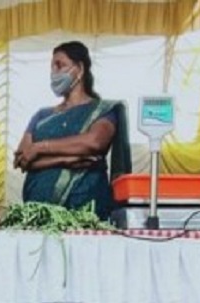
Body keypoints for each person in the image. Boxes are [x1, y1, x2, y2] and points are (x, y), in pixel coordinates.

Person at [13, 41, 132, 219]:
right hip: (37, 213)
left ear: (80, 69)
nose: (54, 72)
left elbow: (94, 142)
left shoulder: (102, 110)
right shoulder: (41, 116)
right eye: (52, 67)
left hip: (85, 211)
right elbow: (22, 159)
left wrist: (39, 148)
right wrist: (66, 159)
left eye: (60, 65)